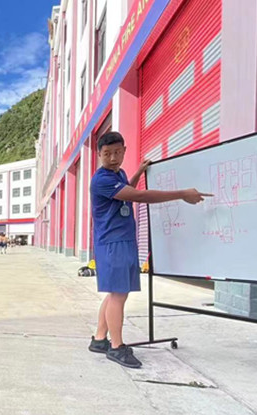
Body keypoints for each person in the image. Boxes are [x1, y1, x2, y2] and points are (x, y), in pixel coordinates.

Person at [89, 131, 209, 368]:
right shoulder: (101, 179)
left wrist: (137, 172)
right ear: (98, 154)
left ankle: (100, 339)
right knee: (118, 295)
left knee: (115, 293)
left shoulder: (118, 174)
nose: (112, 158)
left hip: (122, 240)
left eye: (117, 152)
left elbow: (126, 190)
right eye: (107, 154)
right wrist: (182, 194)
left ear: (124, 150)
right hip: (113, 242)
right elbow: (139, 195)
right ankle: (116, 347)